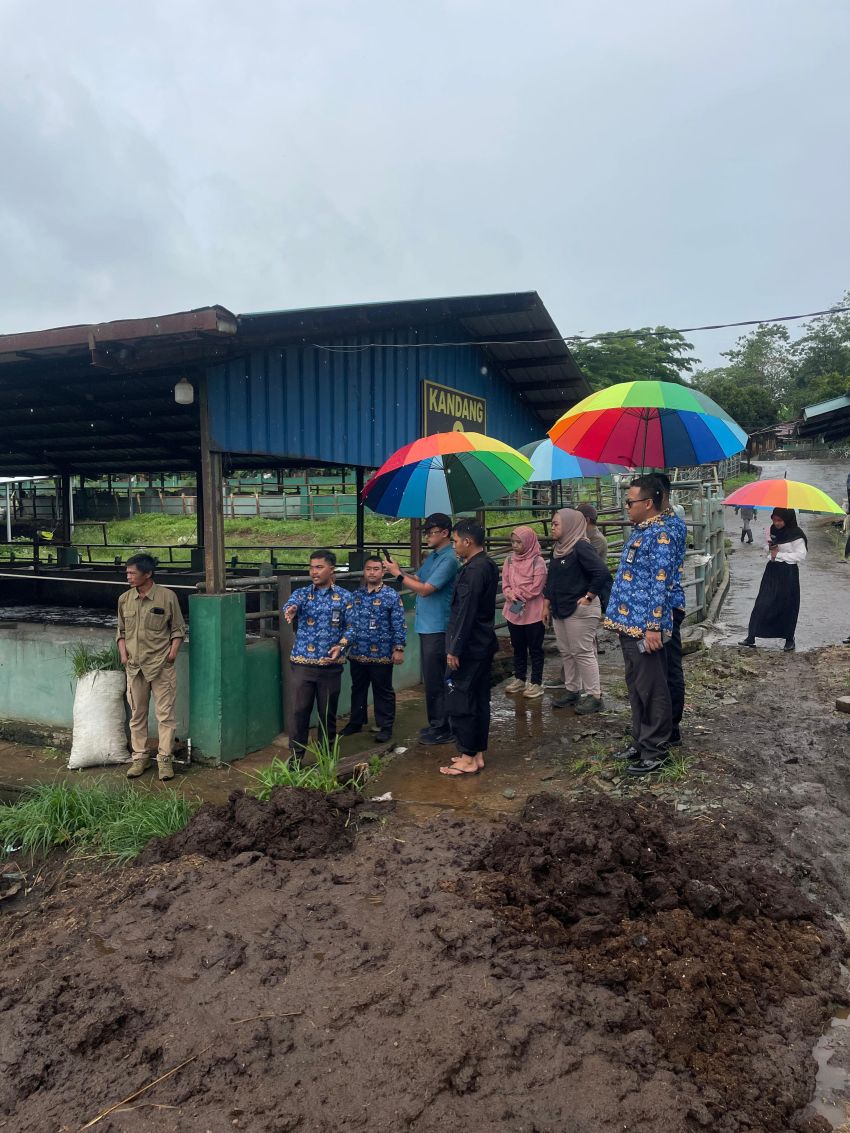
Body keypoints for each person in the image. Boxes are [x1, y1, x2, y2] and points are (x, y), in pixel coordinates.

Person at [604, 476, 679, 774]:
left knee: (652, 687)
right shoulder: (641, 532)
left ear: (648, 504)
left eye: (630, 502)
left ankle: (655, 749)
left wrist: (653, 627)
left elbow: (660, 584)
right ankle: (640, 739)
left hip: (644, 626)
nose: (626, 507)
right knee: (636, 685)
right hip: (627, 622)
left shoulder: (660, 535)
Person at [386, 513, 458, 745]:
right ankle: (436, 723)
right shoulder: (434, 557)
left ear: (445, 533)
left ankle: (444, 727)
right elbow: (417, 578)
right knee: (432, 679)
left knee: (438, 678)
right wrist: (398, 571)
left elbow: (426, 589)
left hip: (439, 625)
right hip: (427, 625)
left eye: (431, 531)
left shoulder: (449, 559)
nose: (427, 535)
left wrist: (398, 576)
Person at [118, 553, 186, 782]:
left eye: (132, 573)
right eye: (127, 572)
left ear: (148, 574)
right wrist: (124, 656)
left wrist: (172, 654)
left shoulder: (167, 597)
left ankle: (165, 760)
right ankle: (139, 758)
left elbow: (178, 629)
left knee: (165, 715)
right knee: (137, 714)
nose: (128, 577)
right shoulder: (124, 599)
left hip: (160, 666)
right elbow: (121, 632)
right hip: (135, 667)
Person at [439, 519, 499, 777]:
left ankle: (467, 758)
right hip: (481, 643)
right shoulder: (486, 564)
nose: (453, 546)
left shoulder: (474, 570)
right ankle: (475, 752)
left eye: (454, 541)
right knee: (478, 698)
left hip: (470, 647)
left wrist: (454, 648)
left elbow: (466, 612)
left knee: (461, 698)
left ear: (467, 541)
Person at [283, 549, 353, 756]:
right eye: (311, 567)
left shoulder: (345, 597)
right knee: (299, 712)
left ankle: (326, 756)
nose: (314, 572)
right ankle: (296, 757)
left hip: (330, 666)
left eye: (319, 567)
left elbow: (352, 627)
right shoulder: (302, 594)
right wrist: (291, 610)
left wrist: (341, 645)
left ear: (331, 569)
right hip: (303, 664)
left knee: (327, 713)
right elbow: (290, 604)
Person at [543, 508, 610, 715]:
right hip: (560, 607)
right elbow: (551, 579)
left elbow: (601, 572)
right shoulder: (559, 547)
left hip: (579, 608)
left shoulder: (581, 546)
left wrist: (588, 596)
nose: (552, 528)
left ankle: (594, 695)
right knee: (566, 650)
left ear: (570, 525)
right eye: (552, 524)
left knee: (582, 651)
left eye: (556, 524)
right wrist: (546, 603)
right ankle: (572, 690)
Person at [342, 555, 406, 743]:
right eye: (368, 568)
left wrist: (399, 647)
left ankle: (385, 726)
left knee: (383, 690)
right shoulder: (356, 595)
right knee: (358, 688)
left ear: (383, 572)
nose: (372, 572)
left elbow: (399, 623)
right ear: (364, 571)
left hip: (382, 653)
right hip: (358, 652)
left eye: (376, 569)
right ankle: (356, 722)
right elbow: (349, 622)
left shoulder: (391, 595)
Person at [739, 508, 807, 653]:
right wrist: (769, 548)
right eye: (774, 520)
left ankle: (789, 639)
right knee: (763, 602)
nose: (776, 523)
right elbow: (767, 547)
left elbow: (801, 556)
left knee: (788, 605)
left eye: (779, 520)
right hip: (772, 571)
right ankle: (751, 636)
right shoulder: (772, 530)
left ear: (787, 520)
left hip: (789, 573)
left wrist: (779, 555)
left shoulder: (797, 534)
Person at [656, 472, 688, 747]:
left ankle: (671, 726)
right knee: (663, 667)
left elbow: (661, 577)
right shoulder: (664, 524)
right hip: (666, 606)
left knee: (669, 667)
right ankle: (663, 724)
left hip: (666, 607)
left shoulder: (668, 527)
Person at [501, 526, 547, 698]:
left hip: (533, 611)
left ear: (528, 542)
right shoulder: (510, 561)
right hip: (514, 610)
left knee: (535, 648)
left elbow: (536, 588)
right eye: (513, 542)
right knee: (518, 646)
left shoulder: (538, 562)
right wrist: (509, 594)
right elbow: (505, 582)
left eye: (519, 542)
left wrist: (518, 594)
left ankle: (536, 682)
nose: (515, 545)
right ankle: (520, 678)